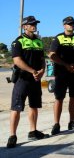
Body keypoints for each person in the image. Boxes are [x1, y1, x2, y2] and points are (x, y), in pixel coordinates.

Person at [7, 16, 49, 148]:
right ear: (24, 26)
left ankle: (33, 131)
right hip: (22, 79)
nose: (34, 26)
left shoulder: (39, 42)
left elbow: (43, 59)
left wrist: (42, 71)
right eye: (31, 24)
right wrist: (32, 71)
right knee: (16, 107)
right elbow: (17, 61)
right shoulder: (18, 42)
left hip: (35, 79)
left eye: (35, 23)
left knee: (34, 106)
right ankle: (12, 136)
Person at [49, 16, 74, 135]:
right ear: (64, 25)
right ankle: (56, 123)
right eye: (69, 24)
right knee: (59, 98)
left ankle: (72, 122)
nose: (71, 25)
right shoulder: (58, 38)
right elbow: (52, 55)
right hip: (61, 73)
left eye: (73, 23)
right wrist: (65, 65)